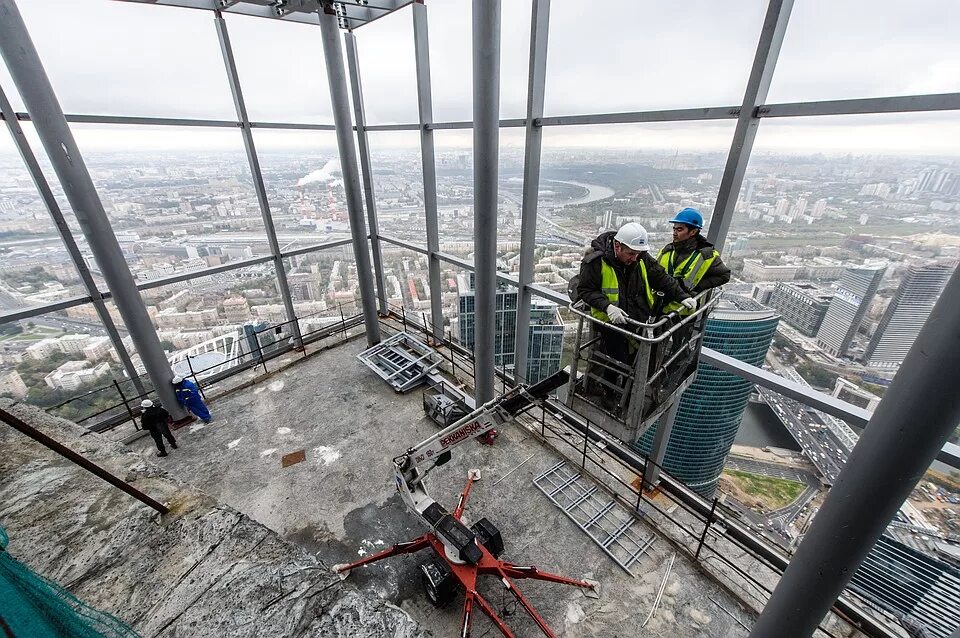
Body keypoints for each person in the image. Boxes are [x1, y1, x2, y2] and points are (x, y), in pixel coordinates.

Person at [576, 223, 696, 396]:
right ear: (617, 246)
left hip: (637, 317)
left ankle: (621, 392)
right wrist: (607, 306)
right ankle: (611, 393)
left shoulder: (641, 257)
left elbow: (661, 278)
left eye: (637, 254)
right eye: (630, 254)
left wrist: (682, 296)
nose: (634, 258)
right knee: (618, 360)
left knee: (633, 358)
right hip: (610, 320)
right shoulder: (596, 261)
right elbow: (585, 290)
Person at [656, 208, 731, 315]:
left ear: (693, 232)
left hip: (682, 312)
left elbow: (724, 275)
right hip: (659, 306)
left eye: (679, 229)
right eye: (674, 229)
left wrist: (698, 286)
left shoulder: (706, 255)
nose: (674, 233)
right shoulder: (667, 250)